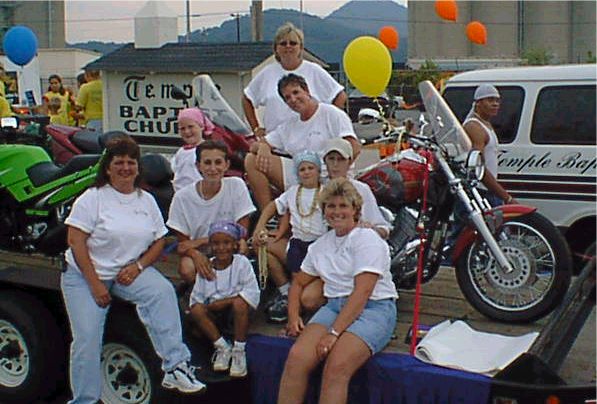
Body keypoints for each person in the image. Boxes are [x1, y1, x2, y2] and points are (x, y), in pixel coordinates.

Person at [61, 134, 206, 403]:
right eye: (119, 162)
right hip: (85, 276)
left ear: (138, 168)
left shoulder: (146, 200)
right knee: (88, 340)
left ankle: (176, 366)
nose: (125, 168)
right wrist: (95, 285)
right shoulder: (93, 198)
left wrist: (138, 267)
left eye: (131, 162)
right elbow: (75, 241)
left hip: (126, 271)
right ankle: (84, 399)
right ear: (108, 167)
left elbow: (159, 240)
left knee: (162, 292)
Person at [278, 178, 398, 404]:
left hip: (374, 308)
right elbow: (298, 283)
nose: (337, 211)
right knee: (296, 358)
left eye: (343, 206)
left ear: (355, 210)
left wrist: (333, 333)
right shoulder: (320, 245)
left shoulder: (366, 239)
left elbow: (362, 292)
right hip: (334, 305)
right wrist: (293, 317)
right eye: (331, 206)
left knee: (336, 366)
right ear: (324, 211)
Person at [299, 137, 392, 313]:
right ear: (324, 161)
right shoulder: (313, 187)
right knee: (308, 299)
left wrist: (370, 230)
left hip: (352, 257)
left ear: (349, 162)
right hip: (322, 256)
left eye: (340, 159)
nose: (335, 164)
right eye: (331, 159)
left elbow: (384, 228)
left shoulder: (361, 189)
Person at [245, 73, 360, 211]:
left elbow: (354, 146)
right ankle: (268, 215)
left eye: (296, 92)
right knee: (251, 159)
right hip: (301, 176)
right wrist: (263, 147)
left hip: (329, 178)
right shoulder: (289, 125)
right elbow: (256, 145)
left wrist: (337, 179)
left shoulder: (332, 114)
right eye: (287, 97)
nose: (293, 99)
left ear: (307, 91)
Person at [167, 140, 256, 285]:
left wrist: (205, 240)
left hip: (229, 247)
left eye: (218, 162)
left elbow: (242, 231)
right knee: (187, 268)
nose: (213, 168)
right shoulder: (182, 197)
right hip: (201, 250)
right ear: (198, 166)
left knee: (241, 250)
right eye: (207, 163)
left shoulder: (236, 185)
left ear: (226, 165)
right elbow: (183, 245)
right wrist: (196, 255)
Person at [253, 151, 327, 323]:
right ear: (297, 173)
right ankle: (287, 293)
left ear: (318, 171)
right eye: (302, 169)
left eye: (311, 168)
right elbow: (274, 206)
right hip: (297, 242)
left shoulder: (326, 192)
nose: (307, 172)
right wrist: (260, 227)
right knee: (264, 248)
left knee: (308, 279)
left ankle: (306, 307)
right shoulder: (293, 192)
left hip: (319, 244)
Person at [242, 22, 347, 138]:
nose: (288, 46)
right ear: (276, 48)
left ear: (301, 47)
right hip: (276, 143)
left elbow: (340, 96)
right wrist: (256, 128)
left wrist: (327, 122)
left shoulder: (314, 70)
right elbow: (247, 98)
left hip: (310, 142)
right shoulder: (267, 73)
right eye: (283, 43)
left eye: (293, 43)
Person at [189, 220, 260, 378]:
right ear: (210, 246)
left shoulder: (242, 263)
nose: (221, 248)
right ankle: (222, 346)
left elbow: (252, 292)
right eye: (216, 243)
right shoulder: (207, 266)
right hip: (214, 312)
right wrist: (209, 306)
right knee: (196, 309)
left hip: (236, 312)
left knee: (240, 303)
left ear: (235, 244)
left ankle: (239, 350)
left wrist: (225, 302)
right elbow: (197, 298)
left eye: (227, 243)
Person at [463, 84, 516, 206]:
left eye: (497, 100)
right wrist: (507, 198)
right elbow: (478, 167)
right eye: (490, 100)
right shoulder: (474, 127)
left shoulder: (486, 125)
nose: (495, 104)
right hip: (480, 192)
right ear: (478, 103)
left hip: (489, 191)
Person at [170, 107, 215, 192]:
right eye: (182, 128)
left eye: (191, 127)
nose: (187, 131)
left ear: (201, 126)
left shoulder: (207, 150)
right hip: (181, 196)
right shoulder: (180, 152)